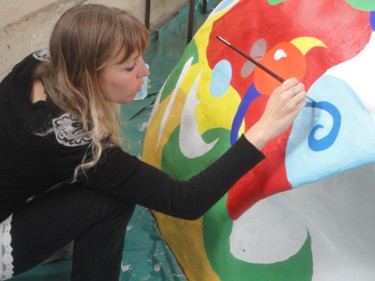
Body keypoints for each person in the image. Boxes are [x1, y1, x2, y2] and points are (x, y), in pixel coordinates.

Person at [0, 4, 307, 281]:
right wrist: (265, 128)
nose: (146, 71)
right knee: (111, 199)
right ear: (87, 78)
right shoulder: (75, 142)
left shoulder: (43, 63)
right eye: (129, 67)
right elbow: (185, 201)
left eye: (140, 59)